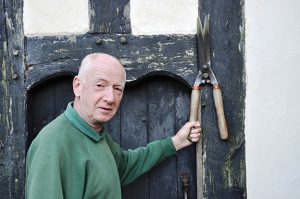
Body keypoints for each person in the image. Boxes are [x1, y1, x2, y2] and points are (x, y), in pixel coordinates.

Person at [25, 53, 201, 199]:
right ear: (78, 86)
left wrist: (176, 142)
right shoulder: (52, 144)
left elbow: (123, 166)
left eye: (117, 89)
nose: (110, 98)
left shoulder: (96, 134)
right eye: (100, 85)